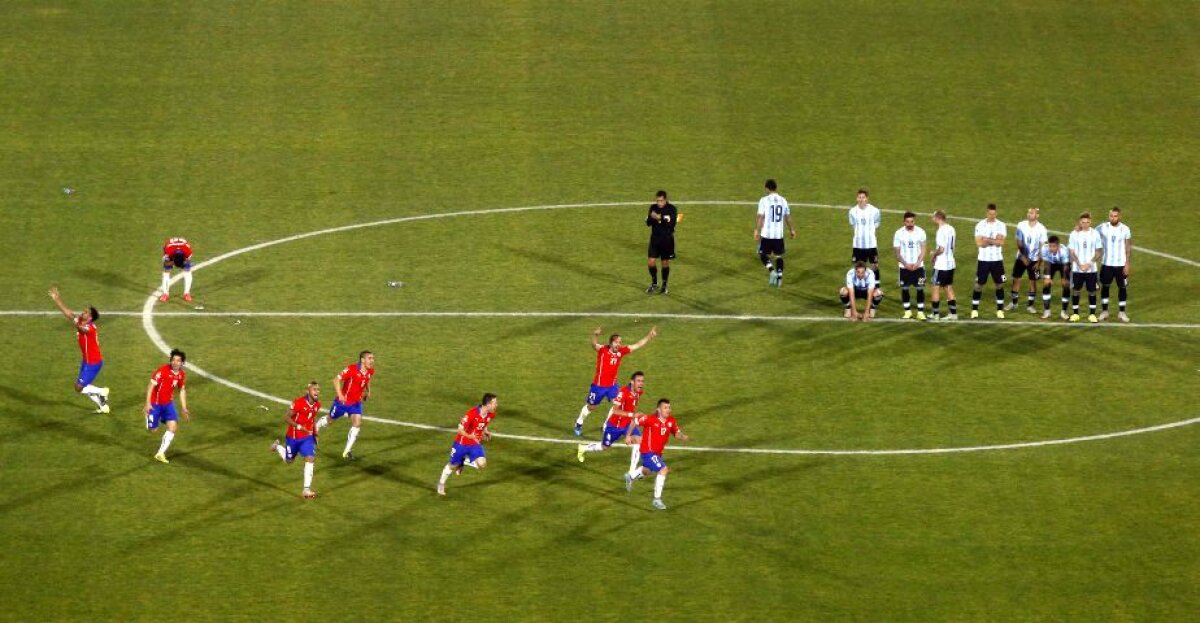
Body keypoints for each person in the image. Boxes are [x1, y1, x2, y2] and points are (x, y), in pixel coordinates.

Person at [574, 326, 657, 436]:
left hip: (612, 386)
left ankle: (606, 425)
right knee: (591, 407)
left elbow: (637, 345)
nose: (619, 344)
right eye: (617, 342)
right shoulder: (603, 350)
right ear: (611, 342)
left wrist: (648, 336)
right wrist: (595, 335)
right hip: (598, 386)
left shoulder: (621, 351)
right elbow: (594, 344)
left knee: (617, 405)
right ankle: (579, 423)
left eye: (620, 342)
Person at [48, 287, 110, 413]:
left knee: (78, 387)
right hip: (87, 361)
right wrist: (57, 299)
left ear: (91, 317)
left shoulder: (91, 328)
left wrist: (76, 322)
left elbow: (82, 329)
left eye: (86, 312)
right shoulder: (82, 322)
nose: (83, 312)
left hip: (94, 363)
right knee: (84, 386)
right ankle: (103, 406)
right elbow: (69, 314)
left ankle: (102, 391)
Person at [624, 399, 688, 511]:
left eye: (669, 407)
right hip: (647, 451)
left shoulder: (671, 421)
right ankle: (656, 499)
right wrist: (628, 436)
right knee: (663, 470)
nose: (668, 410)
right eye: (665, 407)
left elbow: (676, 433)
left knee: (646, 471)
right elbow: (635, 421)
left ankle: (630, 476)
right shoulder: (650, 419)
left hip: (658, 453)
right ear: (659, 409)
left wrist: (682, 436)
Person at [577, 371, 645, 475]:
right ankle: (583, 448)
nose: (641, 383)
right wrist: (632, 415)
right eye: (638, 381)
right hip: (614, 426)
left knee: (639, 441)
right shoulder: (622, 393)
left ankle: (631, 473)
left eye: (642, 381)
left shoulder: (639, 392)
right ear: (632, 382)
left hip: (627, 424)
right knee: (604, 447)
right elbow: (615, 410)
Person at [314, 351, 375, 460]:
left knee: (357, 423)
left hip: (356, 403)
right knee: (330, 420)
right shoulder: (351, 369)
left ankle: (347, 451)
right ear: (362, 360)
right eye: (369, 358)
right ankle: (317, 426)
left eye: (372, 358)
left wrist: (368, 391)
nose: (372, 361)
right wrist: (340, 395)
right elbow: (336, 380)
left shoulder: (370, 371)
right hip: (342, 403)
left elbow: (367, 379)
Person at [436, 393, 498, 496]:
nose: (496, 405)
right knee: (452, 466)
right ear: (488, 404)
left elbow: (484, 423)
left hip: (475, 444)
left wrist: (485, 431)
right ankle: (441, 484)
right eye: (494, 403)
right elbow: (460, 430)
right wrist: (470, 436)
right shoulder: (471, 413)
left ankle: (463, 461)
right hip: (461, 444)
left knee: (482, 464)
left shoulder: (491, 414)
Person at [270, 381, 322, 499]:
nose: (317, 392)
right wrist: (299, 427)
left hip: (306, 438)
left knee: (310, 458)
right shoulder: (298, 403)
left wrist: (315, 434)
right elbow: (286, 417)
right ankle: (277, 446)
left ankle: (306, 490)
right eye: (314, 389)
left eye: (318, 390)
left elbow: (312, 419)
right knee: (289, 461)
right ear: (308, 391)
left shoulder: (317, 405)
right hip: (293, 438)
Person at [145, 349, 190, 463]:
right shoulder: (162, 371)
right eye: (173, 360)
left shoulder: (181, 374)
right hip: (155, 404)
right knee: (153, 429)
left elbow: (182, 390)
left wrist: (184, 407)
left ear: (182, 363)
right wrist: (147, 403)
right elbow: (151, 386)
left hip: (168, 404)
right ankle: (149, 417)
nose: (175, 362)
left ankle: (160, 453)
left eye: (178, 360)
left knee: (173, 427)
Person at [754, 179, 797, 287]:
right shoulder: (783, 200)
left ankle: (771, 270)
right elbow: (787, 216)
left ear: (767, 188)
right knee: (778, 256)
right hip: (778, 235)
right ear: (776, 188)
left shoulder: (764, 200)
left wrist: (757, 230)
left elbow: (760, 217)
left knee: (762, 253)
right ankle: (780, 277)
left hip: (767, 234)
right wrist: (792, 230)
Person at [970, 203, 1007, 319]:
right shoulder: (980, 225)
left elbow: (1001, 243)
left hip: (997, 260)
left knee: (999, 284)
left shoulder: (1001, 225)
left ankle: (1000, 310)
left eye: (994, 213)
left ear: (996, 213)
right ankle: (974, 310)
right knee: (978, 285)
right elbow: (979, 243)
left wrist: (986, 239)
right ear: (987, 213)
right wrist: (994, 240)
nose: (992, 216)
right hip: (983, 260)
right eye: (990, 213)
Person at [1008, 207, 1048, 314]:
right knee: (1016, 279)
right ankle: (1014, 303)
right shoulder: (1021, 225)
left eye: (1032, 213)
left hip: (1034, 260)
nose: (1029, 214)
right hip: (1021, 258)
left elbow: (1042, 247)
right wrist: (1023, 257)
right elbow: (1018, 241)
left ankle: (1030, 306)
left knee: (1033, 282)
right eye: (1029, 212)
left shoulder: (1042, 229)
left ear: (1037, 215)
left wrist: (1039, 264)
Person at [1096, 207, 1132, 322]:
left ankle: (1122, 312)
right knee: (1105, 287)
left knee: (1122, 288)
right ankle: (1104, 311)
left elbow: (1128, 247)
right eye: (1111, 216)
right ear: (1109, 216)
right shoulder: (1102, 227)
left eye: (1115, 216)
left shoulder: (1125, 229)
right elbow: (1090, 232)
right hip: (1107, 263)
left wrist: (1127, 263)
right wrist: (1079, 227)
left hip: (1120, 264)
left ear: (1119, 216)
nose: (1113, 218)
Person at [1067, 212, 1103, 323]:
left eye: (1087, 222)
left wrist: (1089, 264)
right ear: (1079, 222)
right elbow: (1071, 252)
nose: (1085, 224)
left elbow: (1099, 251)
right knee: (1076, 291)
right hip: (1077, 269)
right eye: (1083, 222)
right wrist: (1079, 264)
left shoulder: (1095, 234)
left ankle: (1092, 315)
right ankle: (1075, 314)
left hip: (1091, 269)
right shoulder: (1074, 234)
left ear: (1090, 222)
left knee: (1092, 291)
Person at [892, 211, 928, 320]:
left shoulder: (921, 232)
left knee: (920, 289)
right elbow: (897, 252)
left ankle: (920, 312)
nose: (910, 223)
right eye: (907, 221)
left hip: (919, 267)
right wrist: (905, 264)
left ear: (914, 221)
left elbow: (923, 249)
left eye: (912, 221)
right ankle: (907, 312)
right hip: (904, 268)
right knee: (905, 289)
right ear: (904, 222)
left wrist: (917, 263)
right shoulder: (898, 233)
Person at [645, 190, 678, 294]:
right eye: (657, 201)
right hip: (654, 239)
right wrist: (652, 217)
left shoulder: (672, 209)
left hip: (666, 240)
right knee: (651, 262)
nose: (659, 203)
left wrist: (660, 217)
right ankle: (654, 284)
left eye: (661, 201)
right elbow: (648, 223)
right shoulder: (653, 207)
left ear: (665, 200)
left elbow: (672, 224)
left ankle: (664, 285)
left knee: (664, 263)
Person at [848, 189, 883, 284]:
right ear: (856, 198)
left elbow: (877, 222)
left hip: (871, 244)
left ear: (867, 199)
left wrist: (870, 230)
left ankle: (876, 287)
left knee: (874, 266)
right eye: (859, 197)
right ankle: (859, 285)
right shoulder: (852, 211)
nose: (861, 199)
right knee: (858, 267)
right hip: (858, 245)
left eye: (863, 197)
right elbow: (853, 224)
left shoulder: (874, 210)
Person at [928, 210, 958, 321]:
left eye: (933, 217)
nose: (932, 219)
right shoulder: (951, 229)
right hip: (951, 263)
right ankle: (953, 314)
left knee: (935, 287)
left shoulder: (940, 231)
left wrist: (933, 254)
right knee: (948, 287)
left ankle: (935, 314)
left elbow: (941, 249)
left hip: (941, 265)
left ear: (937, 218)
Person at [1039, 235, 1072, 320]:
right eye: (1050, 246)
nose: (1051, 248)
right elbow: (1046, 264)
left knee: (1066, 285)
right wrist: (1047, 277)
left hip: (1063, 265)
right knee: (1046, 284)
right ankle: (1047, 311)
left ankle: (1063, 312)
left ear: (1058, 246)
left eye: (1053, 246)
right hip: (1051, 264)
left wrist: (1064, 278)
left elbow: (1066, 266)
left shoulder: (1064, 251)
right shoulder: (1044, 249)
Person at [159, 237, 195, 303]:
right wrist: (172, 262)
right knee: (166, 272)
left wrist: (185, 263)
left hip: (183, 252)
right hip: (171, 251)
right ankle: (165, 294)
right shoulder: (168, 251)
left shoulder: (188, 251)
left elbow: (188, 260)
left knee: (187, 271)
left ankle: (187, 293)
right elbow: (166, 263)